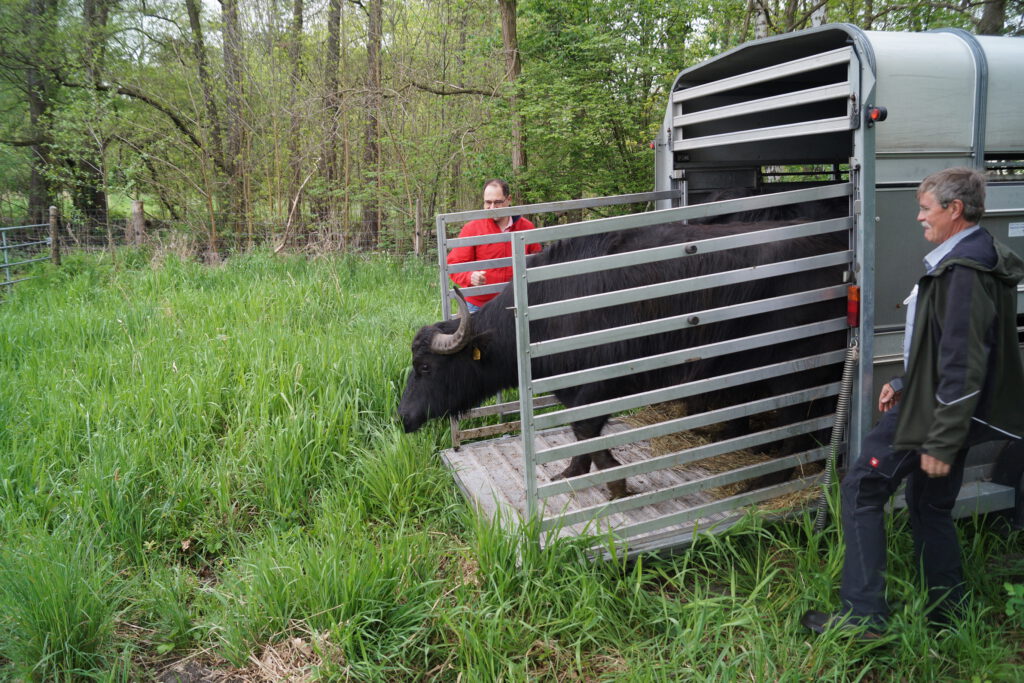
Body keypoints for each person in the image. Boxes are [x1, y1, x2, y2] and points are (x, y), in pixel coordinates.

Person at [802, 167, 1024, 639]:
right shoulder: (971, 259)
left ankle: (862, 617)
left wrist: (941, 441)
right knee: (929, 506)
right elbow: (947, 343)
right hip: (944, 405)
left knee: (862, 487)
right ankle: (948, 615)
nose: (919, 217)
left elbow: (963, 363)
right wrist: (904, 380)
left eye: (926, 208)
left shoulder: (963, 271)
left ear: (954, 209)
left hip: (937, 413)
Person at [448, 178, 541, 312]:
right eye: (488, 202)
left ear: (509, 199)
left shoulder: (526, 227)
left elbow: (537, 263)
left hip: (515, 304)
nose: (492, 208)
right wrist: (470, 276)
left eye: (497, 202)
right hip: (478, 307)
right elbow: (454, 264)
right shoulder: (472, 228)